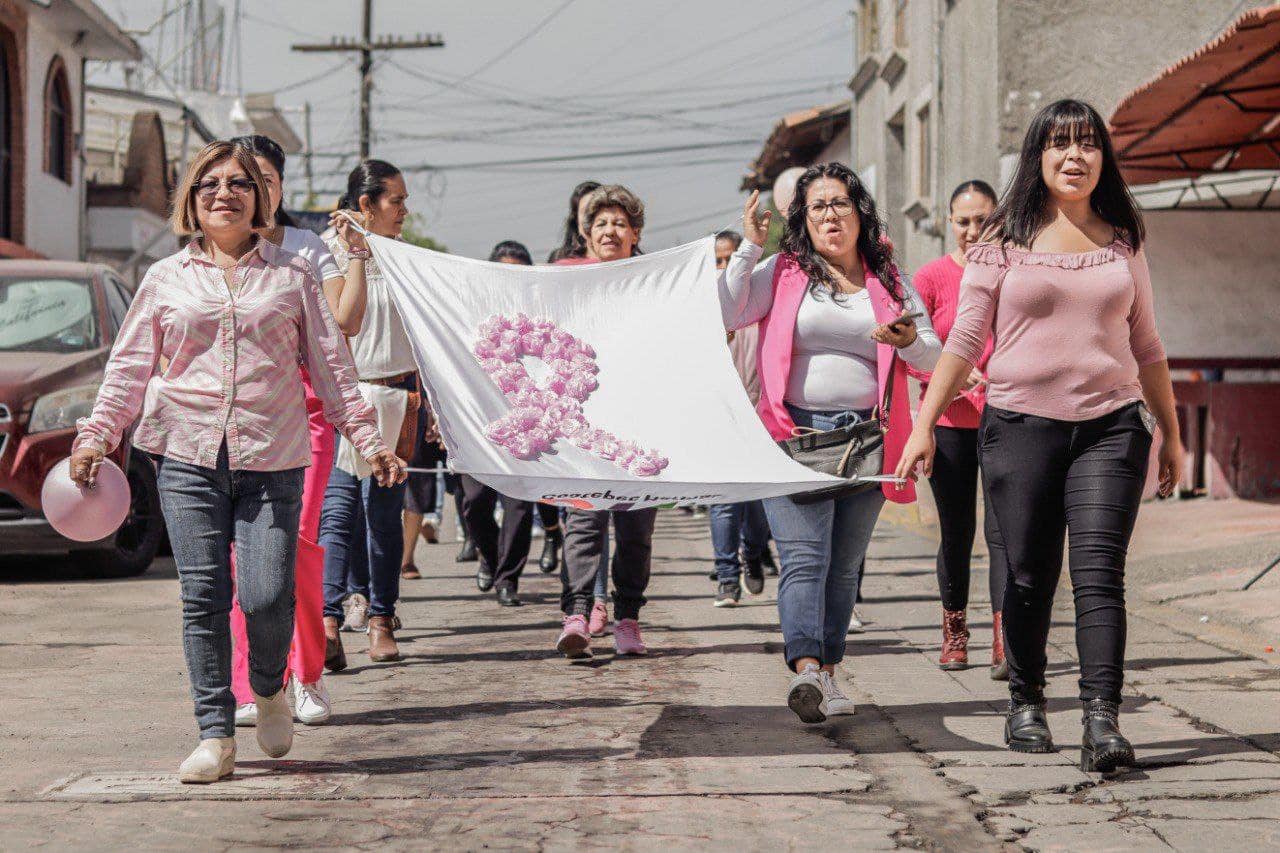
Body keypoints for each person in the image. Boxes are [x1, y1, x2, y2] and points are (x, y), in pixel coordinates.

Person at [69, 139, 402, 784]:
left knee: (267, 591)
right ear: (192, 201)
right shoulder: (165, 279)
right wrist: (95, 436)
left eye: (239, 185)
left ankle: (271, 686)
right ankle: (215, 734)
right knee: (202, 596)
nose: (224, 193)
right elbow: (131, 366)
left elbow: (332, 369)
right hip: (186, 458)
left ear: (262, 201)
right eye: (209, 184)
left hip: (272, 458)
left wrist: (368, 439)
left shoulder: (293, 278)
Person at [896, 99, 1182, 772]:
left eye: (1088, 144)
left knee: (1099, 574)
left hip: (1111, 426)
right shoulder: (1001, 237)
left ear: (1103, 158)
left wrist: (1169, 433)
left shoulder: (1123, 238)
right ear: (1039, 156)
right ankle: (1026, 698)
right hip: (1020, 426)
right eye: (1060, 144)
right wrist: (923, 425)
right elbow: (965, 340)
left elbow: (1148, 344)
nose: (1074, 156)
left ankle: (1101, 719)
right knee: (1027, 575)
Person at [720, 163, 941, 724]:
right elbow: (727, 310)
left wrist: (911, 338)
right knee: (802, 559)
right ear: (804, 219)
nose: (829, 215)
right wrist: (747, 249)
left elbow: (935, 360)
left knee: (843, 567)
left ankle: (831, 672)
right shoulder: (784, 271)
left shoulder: (889, 280)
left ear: (859, 212)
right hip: (794, 434)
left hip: (869, 438)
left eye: (839, 203)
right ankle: (807, 669)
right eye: (817, 206)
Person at [225, 134, 367, 730]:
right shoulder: (212, 249)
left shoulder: (309, 247)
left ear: (279, 187)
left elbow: (344, 324)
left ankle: (305, 676)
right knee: (242, 552)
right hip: (240, 414)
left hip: (307, 414)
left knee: (298, 545)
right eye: (240, 180)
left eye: (264, 179)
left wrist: (357, 253)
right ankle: (251, 683)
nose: (251, 191)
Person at [905, 179, 1008, 678]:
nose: (973, 231)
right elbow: (913, 354)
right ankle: (955, 631)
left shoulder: (1013, 274)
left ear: (998, 220)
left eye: (983, 220)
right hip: (948, 424)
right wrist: (955, 379)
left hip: (1006, 421)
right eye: (963, 221)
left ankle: (1005, 639)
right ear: (950, 222)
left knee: (1004, 531)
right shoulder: (929, 278)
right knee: (958, 530)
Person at [553, 185, 660, 658]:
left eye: (620, 223)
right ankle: (576, 615)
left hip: (641, 424)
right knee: (583, 521)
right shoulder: (561, 278)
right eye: (601, 224)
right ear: (586, 232)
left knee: (636, 532)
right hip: (584, 424)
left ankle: (628, 621)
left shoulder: (657, 282)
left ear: (635, 233)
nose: (610, 232)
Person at [319, 159, 418, 664]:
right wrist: (356, 251)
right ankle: (329, 623)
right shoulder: (327, 255)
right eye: (395, 201)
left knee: (383, 516)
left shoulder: (410, 261)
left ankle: (382, 618)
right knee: (336, 514)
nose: (403, 210)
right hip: (343, 402)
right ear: (365, 205)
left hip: (398, 401)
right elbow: (344, 322)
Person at [456, 240, 544, 607]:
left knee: (519, 506)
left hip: (527, 428)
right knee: (474, 504)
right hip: (477, 426)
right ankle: (491, 560)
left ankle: (508, 578)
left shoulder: (540, 324)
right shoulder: (469, 320)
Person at [709, 229, 774, 606]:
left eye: (729, 259)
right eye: (716, 261)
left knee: (759, 502)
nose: (722, 267)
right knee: (723, 500)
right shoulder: (703, 313)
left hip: (763, 417)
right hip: (721, 420)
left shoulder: (761, 304)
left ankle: (753, 552)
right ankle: (726, 577)